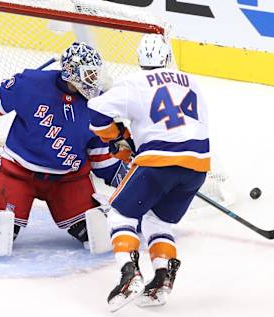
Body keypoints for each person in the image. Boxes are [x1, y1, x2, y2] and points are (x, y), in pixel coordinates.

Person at [0, 42, 122, 256]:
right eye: (89, 75)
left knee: (95, 232)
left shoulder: (98, 106)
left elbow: (101, 154)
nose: (94, 80)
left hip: (69, 180)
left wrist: (131, 182)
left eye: (95, 74)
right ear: (71, 73)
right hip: (18, 173)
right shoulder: (31, 84)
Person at [88, 34, 210, 311]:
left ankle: (129, 273)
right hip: (198, 166)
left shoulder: (133, 82)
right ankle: (162, 278)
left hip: (158, 163)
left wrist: (118, 136)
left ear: (141, 61)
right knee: (159, 223)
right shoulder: (192, 82)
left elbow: (96, 114)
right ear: (168, 57)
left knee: (120, 214)